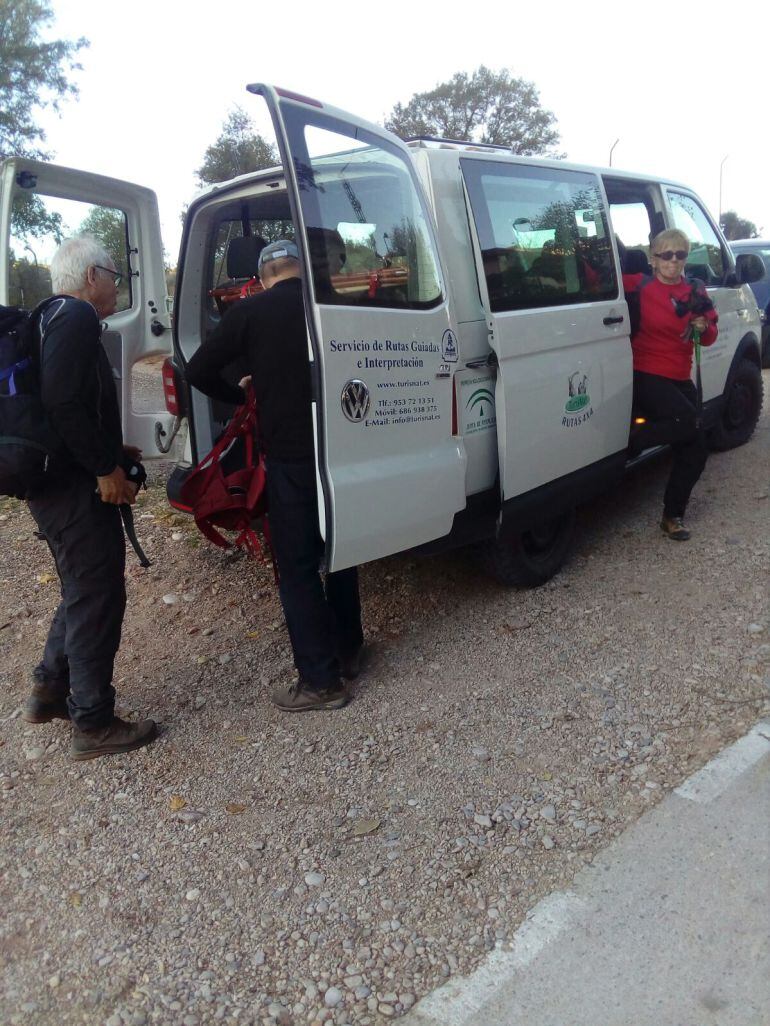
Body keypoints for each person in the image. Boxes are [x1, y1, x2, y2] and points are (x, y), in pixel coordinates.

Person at [185, 239, 363, 712]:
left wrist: (240, 392)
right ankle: (349, 651)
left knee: (298, 568)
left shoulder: (251, 312)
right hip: (344, 450)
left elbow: (197, 369)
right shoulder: (335, 306)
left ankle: (322, 683)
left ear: (264, 277)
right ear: (303, 269)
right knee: (344, 552)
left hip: (290, 457)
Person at [21, 235, 158, 760]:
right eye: (113, 276)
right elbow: (61, 400)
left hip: (52, 482)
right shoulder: (75, 317)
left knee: (81, 586)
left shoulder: (47, 317)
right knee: (98, 591)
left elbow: (67, 403)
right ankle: (94, 723)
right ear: (91, 276)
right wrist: (105, 468)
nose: (116, 287)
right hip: (71, 488)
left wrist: (109, 446)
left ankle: (48, 690)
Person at [623, 228, 718, 541]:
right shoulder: (640, 285)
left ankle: (671, 516)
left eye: (680, 255)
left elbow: (709, 334)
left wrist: (703, 325)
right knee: (691, 424)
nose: (673, 261)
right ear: (653, 259)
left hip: (679, 374)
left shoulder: (695, 291)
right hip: (646, 371)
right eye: (666, 254)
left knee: (697, 447)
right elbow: (596, 286)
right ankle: (633, 440)